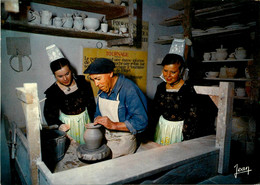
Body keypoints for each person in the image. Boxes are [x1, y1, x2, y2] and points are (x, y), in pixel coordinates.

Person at [84, 58, 148, 158]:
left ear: (110, 73)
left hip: (124, 140)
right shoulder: (102, 90)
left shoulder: (129, 89)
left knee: (103, 161)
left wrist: (114, 125)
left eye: (98, 79)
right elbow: (98, 113)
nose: (96, 84)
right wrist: (97, 120)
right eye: (93, 80)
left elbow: (141, 122)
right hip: (108, 137)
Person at [150, 53, 217, 146]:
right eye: (165, 71)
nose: (168, 75)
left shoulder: (187, 88)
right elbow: (155, 110)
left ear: (181, 71)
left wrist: (186, 135)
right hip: (162, 128)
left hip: (179, 130)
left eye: (173, 72)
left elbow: (193, 115)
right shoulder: (161, 87)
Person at [43, 57, 96, 144]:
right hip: (68, 125)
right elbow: (49, 114)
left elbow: (91, 105)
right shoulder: (52, 92)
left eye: (67, 74)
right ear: (54, 75)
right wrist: (60, 125)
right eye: (60, 76)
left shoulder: (82, 82)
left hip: (85, 120)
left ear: (71, 70)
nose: (65, 79)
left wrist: (94, 121)